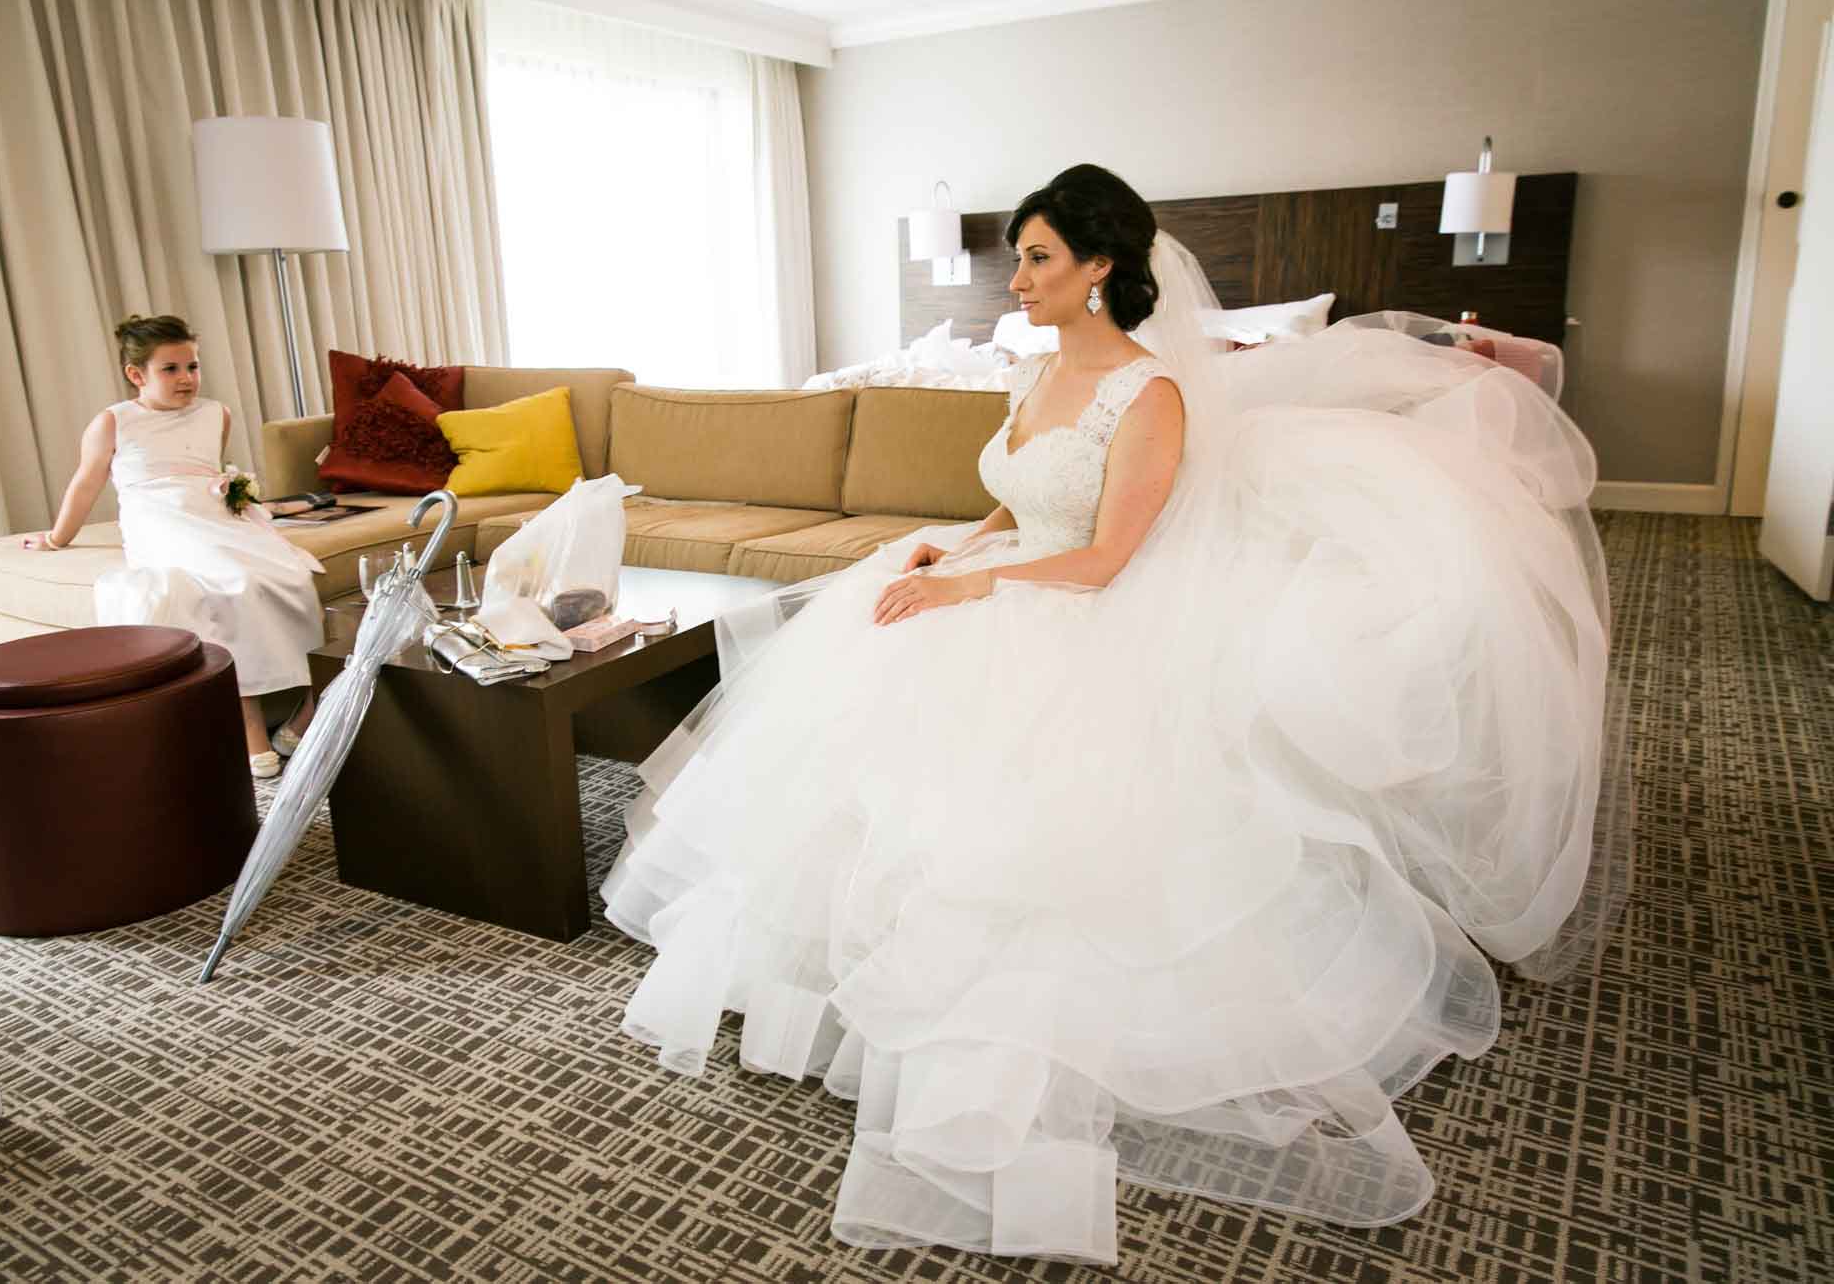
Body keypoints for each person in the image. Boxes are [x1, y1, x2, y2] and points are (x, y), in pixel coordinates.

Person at [599, 165, 1630, 1265]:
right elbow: (1024, 485)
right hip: (1001, 575)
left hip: (1073, 610)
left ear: (1100, 267)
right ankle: (840, 978)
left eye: (1040, 256)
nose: (1020, 277)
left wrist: (975, 585)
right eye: (1019, 256)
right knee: (863, 747)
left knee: (1019, 829)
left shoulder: (1150, 395)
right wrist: (965, 538)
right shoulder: (1038, 372)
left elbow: (1103, 558)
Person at [27, 315, 324, 778]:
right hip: (161, 520)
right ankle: (251, 730)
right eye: (171, 369)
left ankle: (303, 719)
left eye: (192, 366)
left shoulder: (216, 412)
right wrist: (55, 537)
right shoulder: (113, 422)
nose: (187, 378)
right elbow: (85, 484)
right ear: (136, 374)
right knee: (233, 582)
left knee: (293, 576)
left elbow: (210, 469)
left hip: (214, 516)